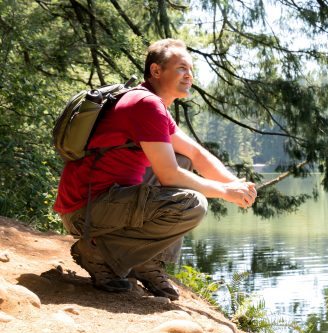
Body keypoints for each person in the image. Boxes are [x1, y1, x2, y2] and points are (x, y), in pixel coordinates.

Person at [54, 39, 257, 300]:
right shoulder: (145, 105)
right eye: (181, 68)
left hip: (98, 203)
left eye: (191, 70)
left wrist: (236, 184)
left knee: (183, 159)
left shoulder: (148, 102)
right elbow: (169, 176)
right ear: (156, 71)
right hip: (87, 210)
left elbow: (195, 153)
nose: (189, 75)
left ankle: (145, 262)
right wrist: (225, 192)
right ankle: (97, 254)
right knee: (192, 204)